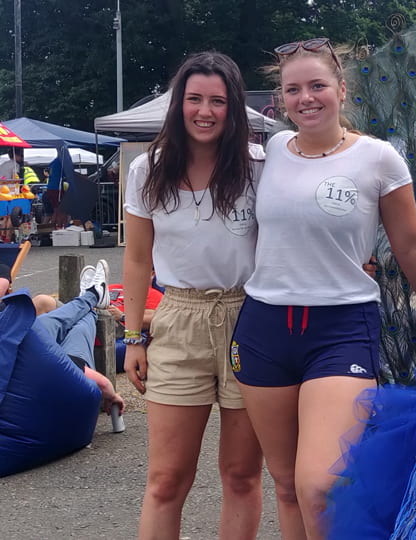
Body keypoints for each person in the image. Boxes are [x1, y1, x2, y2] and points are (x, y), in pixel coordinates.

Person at [230, 38, 416, 538]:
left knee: (320, 484)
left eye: (317, 86)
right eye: (293, 89)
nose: (306, 98)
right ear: (280, 100)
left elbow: (410, 244)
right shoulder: (271, 152)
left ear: (341, 90)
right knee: (285, 484)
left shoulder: (378, 158)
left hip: (341, 328)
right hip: (264, 327)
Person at [122, 52, 264, 540]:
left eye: (218, 101)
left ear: (234, 107)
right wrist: (134, 336)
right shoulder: (147, 170)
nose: (205, 111)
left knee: (242, 475)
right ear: (178, 103)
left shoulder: (258, 169)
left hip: (250, 319)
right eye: (195, 98)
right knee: (166, 480)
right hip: (178, 320)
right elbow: (138, 260)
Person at [0, 260, 125, 415]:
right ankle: (91, 297)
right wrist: (110, 392)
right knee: (77, 326)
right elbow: (81, 375)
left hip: (20, 339)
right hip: (61, 402)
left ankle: (90, 297)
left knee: (47, 319)